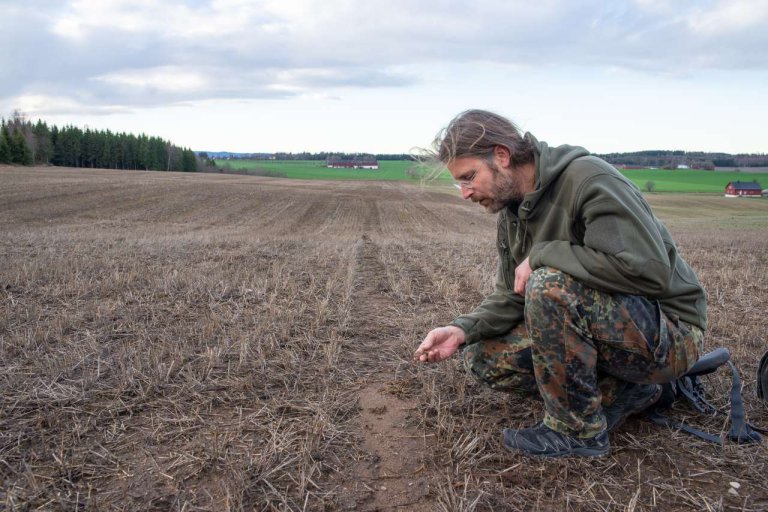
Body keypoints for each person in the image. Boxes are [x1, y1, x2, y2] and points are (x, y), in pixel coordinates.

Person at [414, 110, 707, 458]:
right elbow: (511, 294)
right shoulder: (513, 210)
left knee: (548, 283)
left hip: (669, 333)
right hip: (613, 330)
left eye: (469, 177)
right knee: (485, 357)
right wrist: (461, 330)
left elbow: (647, 272)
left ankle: (577, 433)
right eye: (459, 182)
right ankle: (630, 389)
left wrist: (544, 254)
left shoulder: (589, 179)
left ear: (501, 156)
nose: (465, 193)